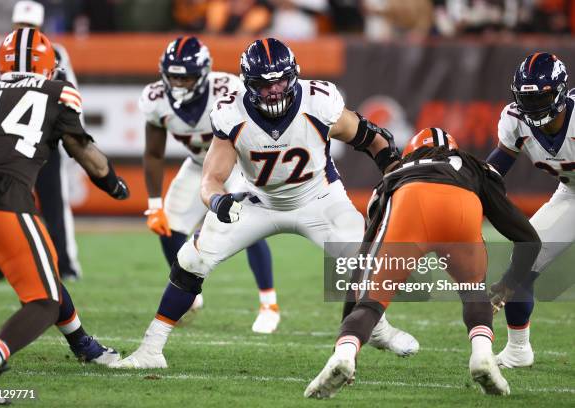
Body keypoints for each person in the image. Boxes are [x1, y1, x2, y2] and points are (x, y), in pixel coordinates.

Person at [111, 37, 418, 369]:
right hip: (258, 198)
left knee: (366, 261)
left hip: (318, 197)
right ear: (247, 83)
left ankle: (378, 330)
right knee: (190, 260)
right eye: (263, 84)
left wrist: (393, 179)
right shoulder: (232, 112)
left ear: (293, 76)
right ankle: (151, 350)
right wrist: (217, 201)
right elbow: (211, 177)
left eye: (280, 81)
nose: (273, 91)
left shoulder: (319, 101)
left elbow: (373, 138)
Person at [305, 128, 541, 399]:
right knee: (473, 290)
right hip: (461, 204)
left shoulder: (394, 174)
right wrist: (509, 284)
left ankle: (344, 355)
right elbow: (527, 238)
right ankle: (482, 355)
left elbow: (364, 256)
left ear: (411, 153)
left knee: (370, 302)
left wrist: (350, 324)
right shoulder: (473, 166)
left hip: (410, 203)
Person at [0, 28, 129, 404]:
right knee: (44, 300)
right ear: (50, 68)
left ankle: (83, 345)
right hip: (3, 202)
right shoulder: (56, 91)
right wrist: (114, 185)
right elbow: (85, 153)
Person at [139, 36, 278, 333]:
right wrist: (153, 205)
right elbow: (153, 153)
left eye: (185, 77)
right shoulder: (155, 99)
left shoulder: (227, 88)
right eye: (173, 76)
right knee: (169, 224)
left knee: (250, 225)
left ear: (203, 74)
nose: (177, 84)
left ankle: (269, 303)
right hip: (199, 164)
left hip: (236, 161)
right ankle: (189, 293)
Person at [486, 52, 575, 368]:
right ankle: (517, 351)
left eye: (542, 97)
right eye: (528, 98)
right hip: (571, 196)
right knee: (524, 257)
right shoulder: (514, 119)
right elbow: (495, 171)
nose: (534, 106)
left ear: (560, 92)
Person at [0, 0, 82, 280]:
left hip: (45, 139)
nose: (25, 30)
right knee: (1, 203)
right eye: (21, 25)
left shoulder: (56, 54)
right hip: (11, 142)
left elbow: (70, 94)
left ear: (40, 27)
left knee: (54, 203)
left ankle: (64, 264)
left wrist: (74, 137)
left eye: (30, 26)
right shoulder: (1, 52)